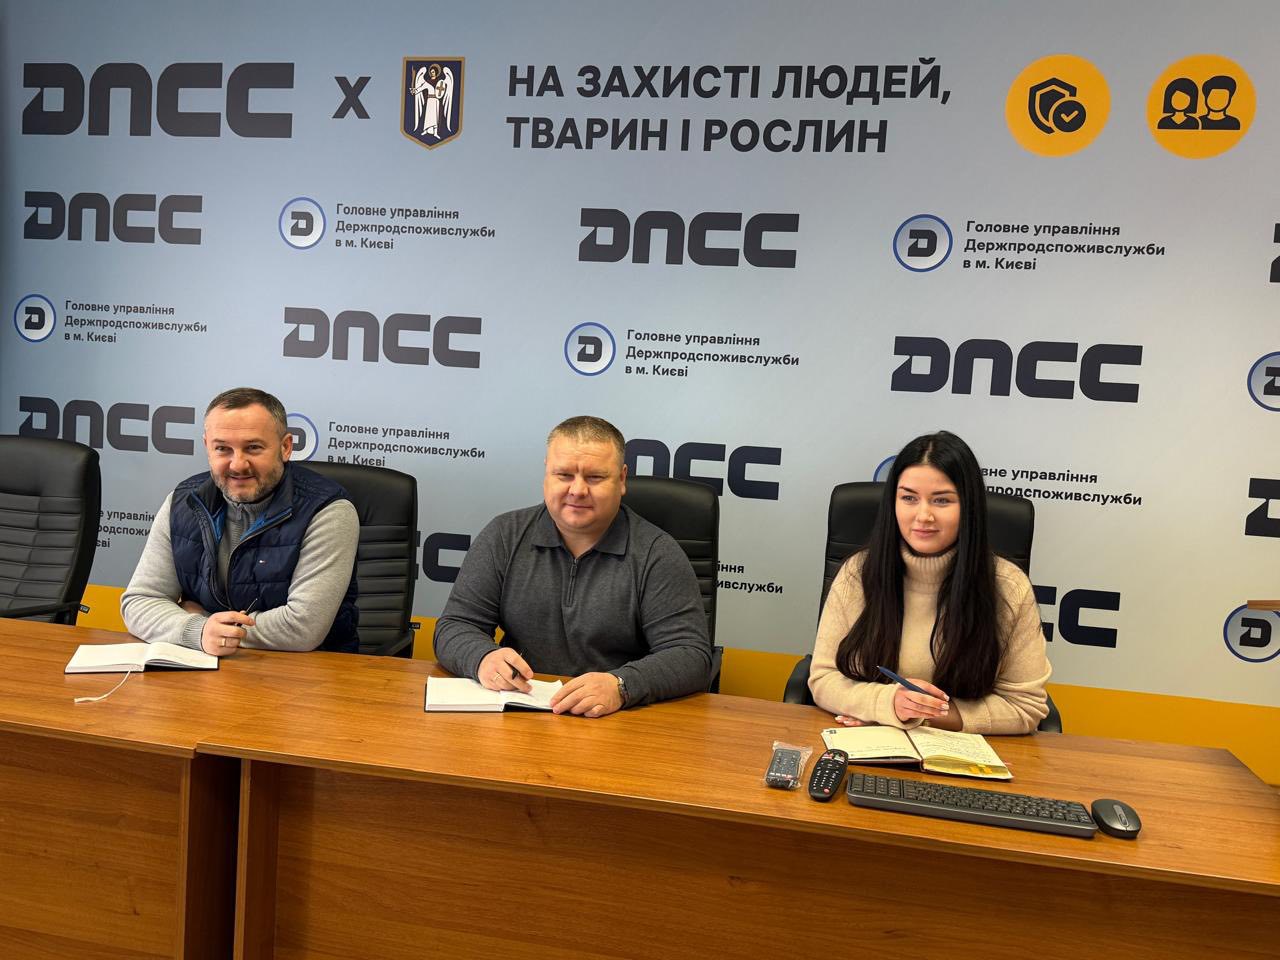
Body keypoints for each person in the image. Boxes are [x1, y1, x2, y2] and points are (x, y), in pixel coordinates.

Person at [433, 415, 711, 717]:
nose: (577, 490)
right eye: (564, 475)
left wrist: (622, 685)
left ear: (621, 480)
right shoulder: (504, 536)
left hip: (615, 719)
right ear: (546, 474)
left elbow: (690, 654)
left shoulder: (657, 553)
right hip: (521, 711)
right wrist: (482, 658)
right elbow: (455, 626)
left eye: (595, 477)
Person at [808, 431, 1050, 734]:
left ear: (969, 507)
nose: (923, 515)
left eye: (942, 500)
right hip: (868, 744)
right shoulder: (857, 573)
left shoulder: (1009, 587)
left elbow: (1025, 707)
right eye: (909, 498)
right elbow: (823, 678)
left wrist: (915, 714)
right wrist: (887, 704)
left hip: (964, 752)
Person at [121, 387, 360, 656]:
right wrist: (199, 631)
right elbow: (139, 602)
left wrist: (206, 623)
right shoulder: (183, 502)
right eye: (222, 448)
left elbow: (302, 627)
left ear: (285, 447)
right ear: (207, 447)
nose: (237, 464)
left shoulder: (328, 510)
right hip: (205, 667)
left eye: (253, 448)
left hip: (308, 672)